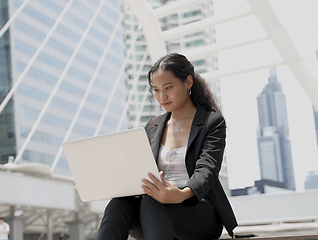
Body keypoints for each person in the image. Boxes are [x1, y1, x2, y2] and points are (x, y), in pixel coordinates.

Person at [96, 53, 237, 240]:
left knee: (154, 202)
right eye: (155, 90)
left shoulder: (212, 123)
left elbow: (207, 170)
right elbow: (140, 170)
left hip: (198, 212)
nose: (162, 97)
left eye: (168, 87)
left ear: (188, 82)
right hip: (154, 213)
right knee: (118, 205)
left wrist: (179, 194)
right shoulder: (153, 127)